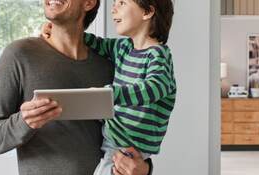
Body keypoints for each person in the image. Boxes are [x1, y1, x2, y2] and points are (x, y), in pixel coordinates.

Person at [0, 0, 150, 174]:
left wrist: (145, 168)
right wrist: (24, 122)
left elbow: (132, 132)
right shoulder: (20, 55)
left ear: (89, 3)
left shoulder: (110, 64)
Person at [43, 0, 175, 174]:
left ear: (147, 12)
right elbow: (94, 42)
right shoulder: (123, 47)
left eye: (122, 3)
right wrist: (58, 31)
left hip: (129, 144)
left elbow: (156, 87)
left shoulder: (158, 54)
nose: (113, 8)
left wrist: (110, 94)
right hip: (117, 136)